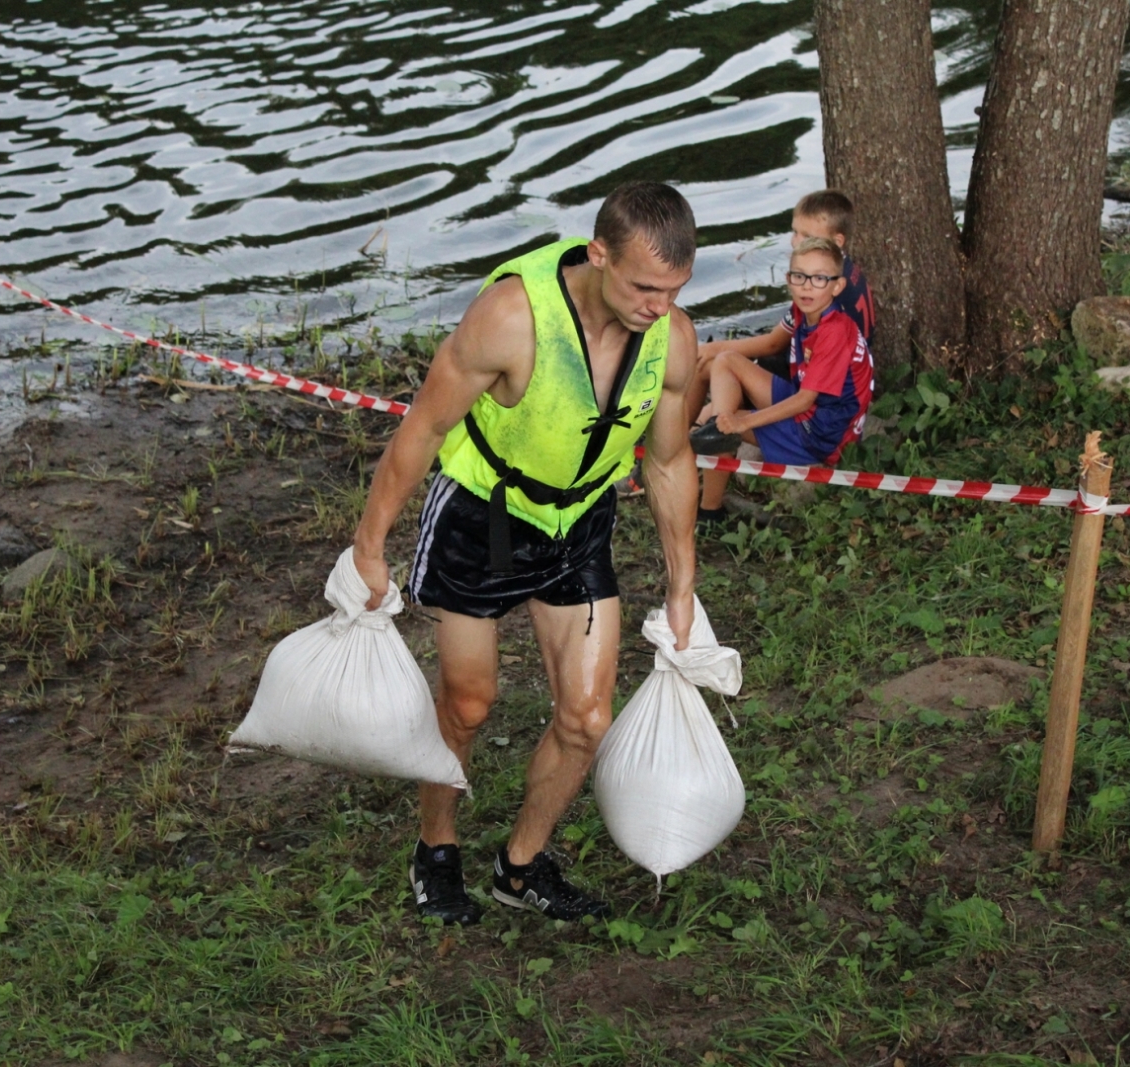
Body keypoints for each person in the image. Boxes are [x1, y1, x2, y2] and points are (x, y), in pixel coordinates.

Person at [350, 182, 701, 926]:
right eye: (643, 286)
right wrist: (368, 543)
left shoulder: (672, 338)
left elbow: (668, 461)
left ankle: (520, 865)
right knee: (470, 703)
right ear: (599, 254)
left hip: (577, 523)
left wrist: (682, 583)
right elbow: (422, 429)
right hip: (484, 515)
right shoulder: (514, 317)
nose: (657, 306)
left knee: (587, 717)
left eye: (674, 290)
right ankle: (435, 847)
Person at [689, 237, 874, 518]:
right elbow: (773, 344)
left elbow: (804, 400)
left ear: (838, 286)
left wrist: (743, 421)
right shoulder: (805, 308)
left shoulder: (835, 330)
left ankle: (710, 510)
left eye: (819, 278)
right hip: (812, 408)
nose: (807, 285)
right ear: (788, 279)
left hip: (822, 434)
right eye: (799, 276)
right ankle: (691, 436)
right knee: (725, 361)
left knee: (728, 423)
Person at [697, 189, 875, 384]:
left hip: (826, 383)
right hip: (849, 375)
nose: (795, 242)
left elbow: (773, 343)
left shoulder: (819, 288)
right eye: (795, 232)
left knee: (709, 367)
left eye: (807, 237)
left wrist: (712, 349)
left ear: (837, 241)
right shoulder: (846, 269)